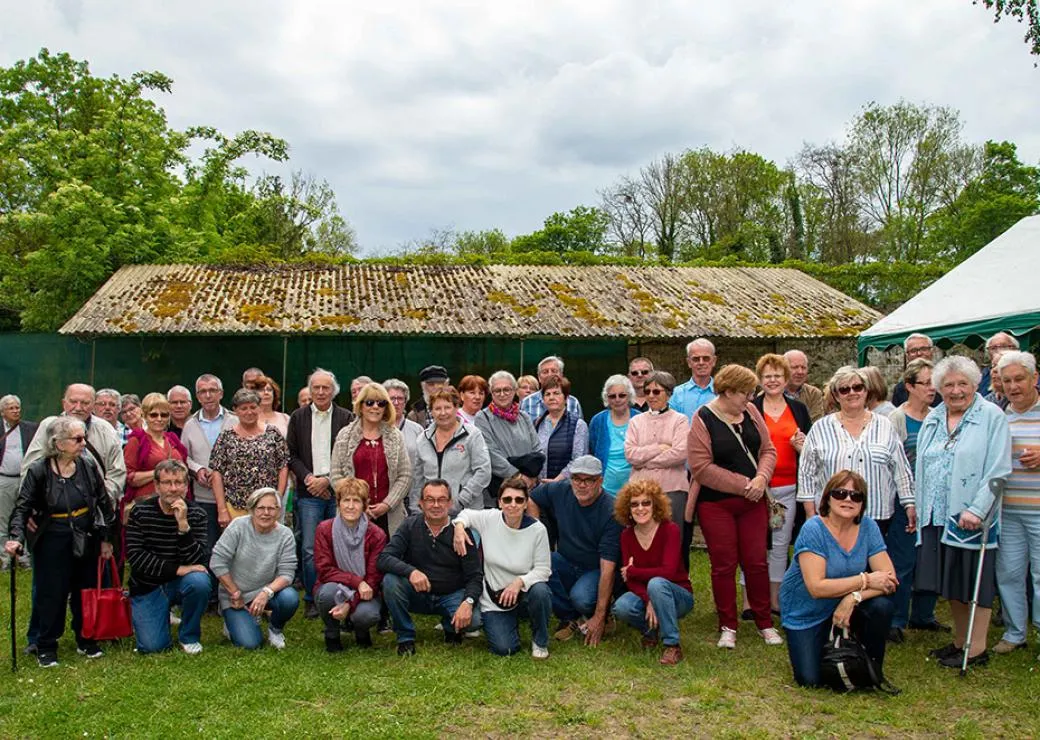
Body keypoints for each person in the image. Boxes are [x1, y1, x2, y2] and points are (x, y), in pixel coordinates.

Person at [914, 355, 1012, 668]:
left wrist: (978, 509)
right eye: (948, 385)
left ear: (975, 385)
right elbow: (923, 465)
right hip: (935, 514)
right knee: (950, 581)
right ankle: (960, 640)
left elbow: (998, 469)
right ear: (939, 388)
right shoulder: (934, 417)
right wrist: (919, 508)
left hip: (970, 516)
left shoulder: (991, 417)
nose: (956, 391)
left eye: (962, 384)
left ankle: (977, 647)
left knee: (974, 581)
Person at [5, 416, 116, 667]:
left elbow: (104, 504)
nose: (83, 443)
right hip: (52, 538)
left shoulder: (87, 466)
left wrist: (107, 539)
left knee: (84, 590)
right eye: (77, 439)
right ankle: (46, 645)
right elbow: (22, 508)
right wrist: (15, 538)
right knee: (51, 592)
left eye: (84, 438)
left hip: (85, 535)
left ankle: (85, 639)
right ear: (59, 443)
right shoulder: (39, 470)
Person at [688, 364, 781, 649]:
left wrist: (762, 478)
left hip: (752, 503)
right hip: (717, 505)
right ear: (727, 391)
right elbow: (701, 467)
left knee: (755, 561)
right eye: (745, 393)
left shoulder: (751, 413)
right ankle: (727, 625)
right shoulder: (702, 418)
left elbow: (768, 450)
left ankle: (765, 622)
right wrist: (745, 485)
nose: (749, 398)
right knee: (724, 564)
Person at [779, 471, 899, 688]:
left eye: (856, 496)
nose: (848, 499)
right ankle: (831, 643)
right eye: (840, 493)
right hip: (806, 610)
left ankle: (871, 667)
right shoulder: (814, 529)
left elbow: (889, 580)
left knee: (882, 607)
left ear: (863, 503)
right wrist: (865, 579)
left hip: (847, 605)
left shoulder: (869, 527)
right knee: (810, 680)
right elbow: (816, 587)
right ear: (827, 497)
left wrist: (853, 597)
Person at [798, 366, 916, 533]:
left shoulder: (884, 425)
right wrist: (810, 513)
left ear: (866, 391)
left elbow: (900, 468)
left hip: (875, 515)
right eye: (844, 389)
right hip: (832, 516)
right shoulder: (820, 428)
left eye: (858, 387)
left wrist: (909, 503)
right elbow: (806, 472)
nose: (852, 392)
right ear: (836, 396)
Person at [377, 479, 483, 655]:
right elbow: (384, 558)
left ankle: (451, 627)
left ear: (450, 503)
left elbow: (475, 576)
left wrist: (468, 602)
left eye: (441, 499)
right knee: (390, 581)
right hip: (418, 593)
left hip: (450, 594)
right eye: (429, 499)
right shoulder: (410, 525)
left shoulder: (462, 533)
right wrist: (411, 572)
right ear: (421, 503)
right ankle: (405, 637)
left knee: (475, 620)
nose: (435, 505)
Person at [452, 476, 552, 658]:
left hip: (525, 594)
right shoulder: (489, 518)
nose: (512, 504)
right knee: (504, 649)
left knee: (541, 591)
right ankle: (504, 623)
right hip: (495, 599)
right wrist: (459, 528)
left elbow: (543, 570)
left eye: (519, 500)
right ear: (499, 502)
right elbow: (465, 514)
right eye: (507, 499)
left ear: (525, 503)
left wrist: (519, 582)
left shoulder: (538, 530)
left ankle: (540, 640)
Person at [528, 455, 622, 646]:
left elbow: (608, 568)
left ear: (601, 481)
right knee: (544, 562)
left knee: (581, 598)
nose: (581, 485)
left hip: (594, 569)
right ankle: (570, 618)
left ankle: (601, 611)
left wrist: (599, 616)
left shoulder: (611, 511)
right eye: (577, 478)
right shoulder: (561, 489)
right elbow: (532, 498)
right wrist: (536, 527)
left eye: (589, 479)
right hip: (566, 560)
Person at [286, 368, 354, 619]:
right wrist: (309, 478)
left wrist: (328, 481)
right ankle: (313, 599)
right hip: (308, 491)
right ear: (310, 390)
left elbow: (349, 455)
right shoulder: (298, 417)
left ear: (334, 390)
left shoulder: (347, 418)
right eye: (316, 387)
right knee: (309, 548)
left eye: (326, 387)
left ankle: (339, 595)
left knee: (340, 546)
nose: (321, 392)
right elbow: (291, 454)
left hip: (338, 492)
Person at [125, 460, 211, 655]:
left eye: (179, 482)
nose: (173, 488)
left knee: (200, 581)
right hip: (148, 585)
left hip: (179, 584)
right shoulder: (140, 512)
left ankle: (189, 635)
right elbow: (137, 558)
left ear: (186, 486)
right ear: (157, 486)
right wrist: (179, 569)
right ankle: (151, 614)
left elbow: (198, 559)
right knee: (153, 646)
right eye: (167, 482)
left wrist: (183, 526)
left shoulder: (196, 514)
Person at [887, 359, 943, 638]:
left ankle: (924, 614)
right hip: (905, 498)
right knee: (904, 559)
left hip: (935, 499)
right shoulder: (896, 419)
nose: (933, 388)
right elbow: (893, 463)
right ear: (909, 386)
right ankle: (897, 619)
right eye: (926, 383)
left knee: (930, 557)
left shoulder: (939, 416)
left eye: (935, 382)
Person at [752, 354, 811, 612]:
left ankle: (775, 600)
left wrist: (802, 447)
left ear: (786, 379)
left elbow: (812, 449)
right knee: (754, 544)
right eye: (768, 376)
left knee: (778, 543)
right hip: (757, 489)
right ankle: (749, 601)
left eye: (777, 376)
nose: (773, 381)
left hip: (787, 488)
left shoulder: (798, 409)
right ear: (760, 380)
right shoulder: (751, 408)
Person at [612, 479, 693, 665]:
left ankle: (672, 645)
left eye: (646, 503)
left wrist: (633, 571)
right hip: (648, 594)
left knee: (657, 583)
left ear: (655, 505)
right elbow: (629, 581)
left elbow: (668, 573)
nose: (640, 508)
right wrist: (649, 600)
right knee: (621, 607)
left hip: (678, 594)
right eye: (634, 504)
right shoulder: (626, 535)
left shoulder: (670, 530)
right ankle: (652, 630)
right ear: (628, 509)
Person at [210, 487, 299, 649]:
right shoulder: (238, 526)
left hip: (266, 592)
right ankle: (232, 621)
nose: (266, 513)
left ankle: (275, 629)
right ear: (251, 509)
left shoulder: (285, 535)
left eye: (271, 508)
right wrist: (234, 592)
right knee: (251, 643)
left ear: (279, 511)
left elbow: (287, 574)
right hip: (235, 595)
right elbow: (217, 561)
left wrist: (266, 592)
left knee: (290, 598)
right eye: (261, 508)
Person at [993, 351, 1040, 655]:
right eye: (1007, 380)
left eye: (1019, 379)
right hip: (1007, 511)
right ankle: (1014, 632)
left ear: (1035, 378)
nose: (1013, 386)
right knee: (1008, 572)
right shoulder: (998, 417)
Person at [314, 477, 387, 652]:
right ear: (338, 503)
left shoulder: (377, 535)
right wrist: (356, 582)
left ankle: (361, 631)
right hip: (335, 585)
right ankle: (332, 632)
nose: (351, 506)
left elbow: (373, 578)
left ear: (365, 504)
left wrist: (349, 603)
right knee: (327, 594)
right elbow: (325, 570)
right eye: (346, 500)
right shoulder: (324, 529)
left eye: (356, 501)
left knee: (367, 615)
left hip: (367, 591)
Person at [624, 371, 690, 564]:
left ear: (668, 393)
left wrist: (645, 460)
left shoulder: (680, 420)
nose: (651, 396)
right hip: (640, 490)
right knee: (641, 538)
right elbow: (630, 455)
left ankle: (672, 584)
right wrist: (659, 448)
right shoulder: (636, 421)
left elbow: (679, 454)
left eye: (657, 391)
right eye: (648, 391)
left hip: (672, 490)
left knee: (671, 538)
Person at [330, 382, 412, 534]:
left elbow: (405, 475)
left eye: (381, 403)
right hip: (353, 514)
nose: (375, 407)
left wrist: (387, 504)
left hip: (389, 515)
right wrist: (356, 504)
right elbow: (335, 475)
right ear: (360, 406)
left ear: (386, 408)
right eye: (369, 402)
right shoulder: (344, 436)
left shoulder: (396, 436)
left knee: (389, 556)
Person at [209, 389, 290, 525]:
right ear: (235, 410)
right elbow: (217, 473)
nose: (249, 412)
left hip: (267, 507)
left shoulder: (273, 433)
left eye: (253, 407)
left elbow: (283, 467)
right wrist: (222, 509)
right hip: (236, 506)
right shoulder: (226, 437)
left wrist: (278, 499)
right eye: (243, 408)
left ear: (259, 408)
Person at [181, 374, 238, 564]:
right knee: (208, 546)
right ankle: (211, 591)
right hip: (203, 495)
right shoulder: (190, 425)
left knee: (233, 547)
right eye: (203, 392)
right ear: (197, 396)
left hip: (233, 496)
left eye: (212, 390)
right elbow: (183, 457)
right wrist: (197, 469)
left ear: (221, 393)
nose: (208, 395)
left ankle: (232, 591)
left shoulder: (234, 421)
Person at [412, 387, 491, 514]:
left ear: (456, 408)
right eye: (437, 408)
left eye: (447, 407)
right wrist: (416, 509)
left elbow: (484, 472)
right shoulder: (422, 439)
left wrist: (460, 500)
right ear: (431, 411)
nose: (443, 413)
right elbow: (418, 479)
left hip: (467, 512)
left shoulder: (472, 434)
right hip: (432, 514)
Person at [473, 371, 542, 506]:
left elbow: (537, 448)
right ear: (491, 393)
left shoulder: (524, 417)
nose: (502, 394)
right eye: (497, 390)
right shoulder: (482, 418)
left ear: (515, 391)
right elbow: (490, 453)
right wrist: (518, 477)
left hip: (529, 488)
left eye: (507, 389)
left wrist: (532, 476)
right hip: (500, 491)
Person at [123, 392, 188, 525]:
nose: (159, 419)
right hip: (146, 506)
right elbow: (130, 478)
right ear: (145, 416)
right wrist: (160, 473)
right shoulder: (136, 440)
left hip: (175, 504)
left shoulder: (172, 440)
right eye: (153, 414)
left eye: (164, 415)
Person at [1, 394, 37, 570]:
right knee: (3, 519)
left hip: (26, 480)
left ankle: (24, 558)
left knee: (27, 517)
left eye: (17, 407)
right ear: (2, 412)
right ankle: (5, 559)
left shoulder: (30, 428)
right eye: (11, 408)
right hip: (4, 480)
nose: (16, 411)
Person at [588, 374, 640, 495]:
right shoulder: (598, 420)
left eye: (622, 395)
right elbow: (592, 450)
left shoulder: (639, 418)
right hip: (605, 489)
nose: (617, 399)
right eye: (612, 396)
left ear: (629, 396)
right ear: (607, 398)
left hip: (635, 487)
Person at [533, 375, 589, 482]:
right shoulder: (537, 424)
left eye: (556, 393)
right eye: (547, 394)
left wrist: (557, 481)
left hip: (567, 487)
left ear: (566, 397)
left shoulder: (578, 425)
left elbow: (578, 460)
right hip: (540, 487)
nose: (551, 397)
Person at [520, 356, 584, 421]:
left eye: (554, 371)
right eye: (545, 372)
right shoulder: (527, 402)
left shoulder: (573, 402)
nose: (550, 375)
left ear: (561, 375)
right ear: (539, 377)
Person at [672, 338, 717, 422]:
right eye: (696, 359)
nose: (701, 362)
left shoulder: (723, 394)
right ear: (689, 362)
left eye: (706, 358)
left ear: (714, 361)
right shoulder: (676, 394)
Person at [383, 378, 424, 467]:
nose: (396, 403)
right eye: (392, 398)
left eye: (400, 398)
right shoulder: (375, 428)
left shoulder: (417, 430)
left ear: (405, 402)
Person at [891, 333, 939, 407]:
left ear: (931, 352)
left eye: (924, 349)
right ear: (907, 356)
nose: (919, 353)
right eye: (913, 350)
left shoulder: (945, 381)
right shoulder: (900, 389)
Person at [783, 349, 826, 422]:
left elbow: (816, 424)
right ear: (783, 369)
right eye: (795, 367)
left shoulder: (813, 394)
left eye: (803, 367)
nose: (800, 372)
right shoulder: (769, 395)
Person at [980, 331, 1021, 396]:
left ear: (1014, 349)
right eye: (993, 348)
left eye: (1004, 346)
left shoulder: (1025, 370)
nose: (998, 350)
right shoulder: (983, 375)